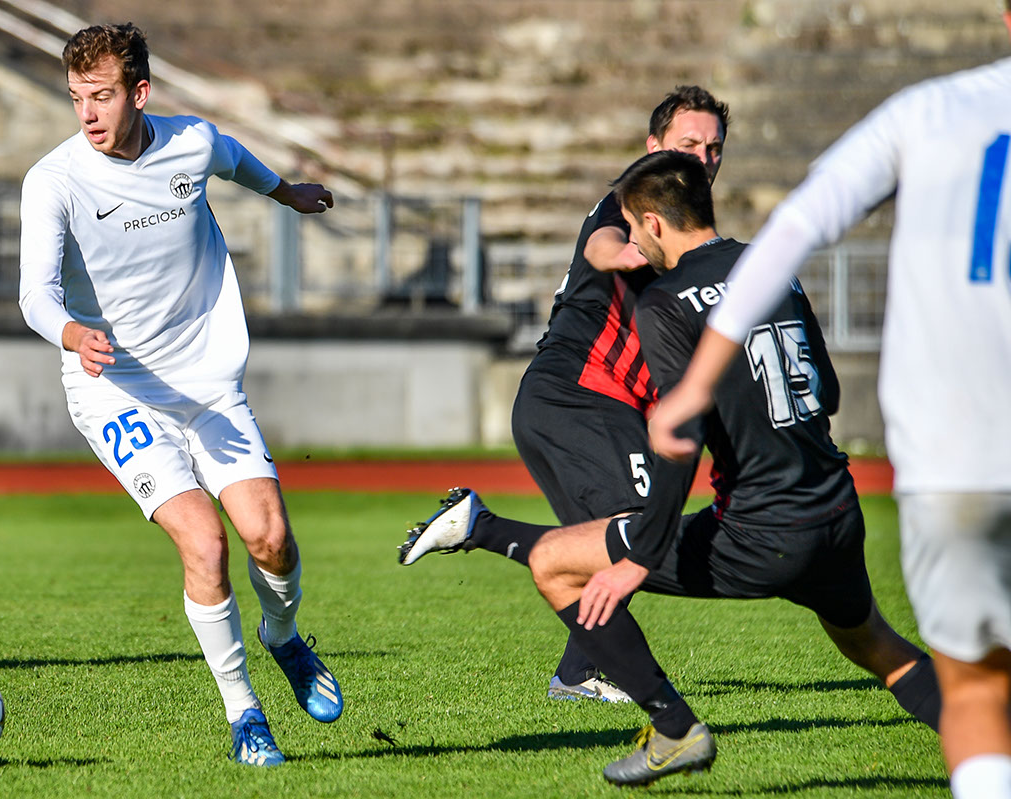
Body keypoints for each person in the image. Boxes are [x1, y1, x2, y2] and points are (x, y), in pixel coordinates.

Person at [402, 150, 940, 787]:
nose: (633, 242)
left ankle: (674, 727)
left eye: (633, 228)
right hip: (837, 509)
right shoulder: (771, 268)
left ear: (654, 224)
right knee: (880, 648)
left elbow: (679, 438)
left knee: (555, 565)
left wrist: (639, 558)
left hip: (761, 531)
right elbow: (827, 390)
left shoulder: (662, 301)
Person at [647, 8, 1011, 797]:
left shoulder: (932, 109)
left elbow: (799, 224)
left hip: (953, 450)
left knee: (978, 687)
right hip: (855, 486)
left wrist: (698, 381)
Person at [17, 23, 342, 767]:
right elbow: (35, 294)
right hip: (115, 391)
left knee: (271, 538)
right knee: (206, 541)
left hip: (207, 383)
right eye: (76, 98)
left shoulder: (189, 143)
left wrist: (287, 193)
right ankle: (244, 712)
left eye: (101, 96)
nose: (87, 114)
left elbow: (232, 158)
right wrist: (71, 333)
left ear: (140, 92)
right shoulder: (54, 180)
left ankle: (284, 638)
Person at [401, 86, 730, 706]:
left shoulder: (684, 236)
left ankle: (576, 667)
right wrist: (631, 255)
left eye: (713, 148)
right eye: (689, 143)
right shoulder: (634, 206)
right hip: (580, 397)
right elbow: (600, 243)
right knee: (641, 531)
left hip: (582, 403)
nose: (703, 157)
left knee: (607, 544)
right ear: (654, 146)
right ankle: (487, 535)